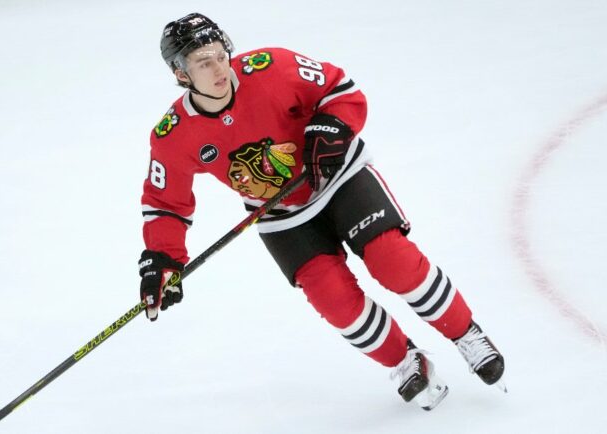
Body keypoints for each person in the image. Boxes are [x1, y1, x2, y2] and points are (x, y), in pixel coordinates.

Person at [138, 12, 505, 410]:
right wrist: (163, 260)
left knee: (393, 261)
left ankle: (466, 334)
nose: (218, 68)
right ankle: (407, 360)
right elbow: (165, 203)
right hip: (282, 214)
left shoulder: (271, 67)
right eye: (203, 63)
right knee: (334, 300)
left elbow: (339, 89)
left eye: (220, 55)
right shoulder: (173, 135)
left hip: (339, 177)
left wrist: (331, 126)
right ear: (181, 74)